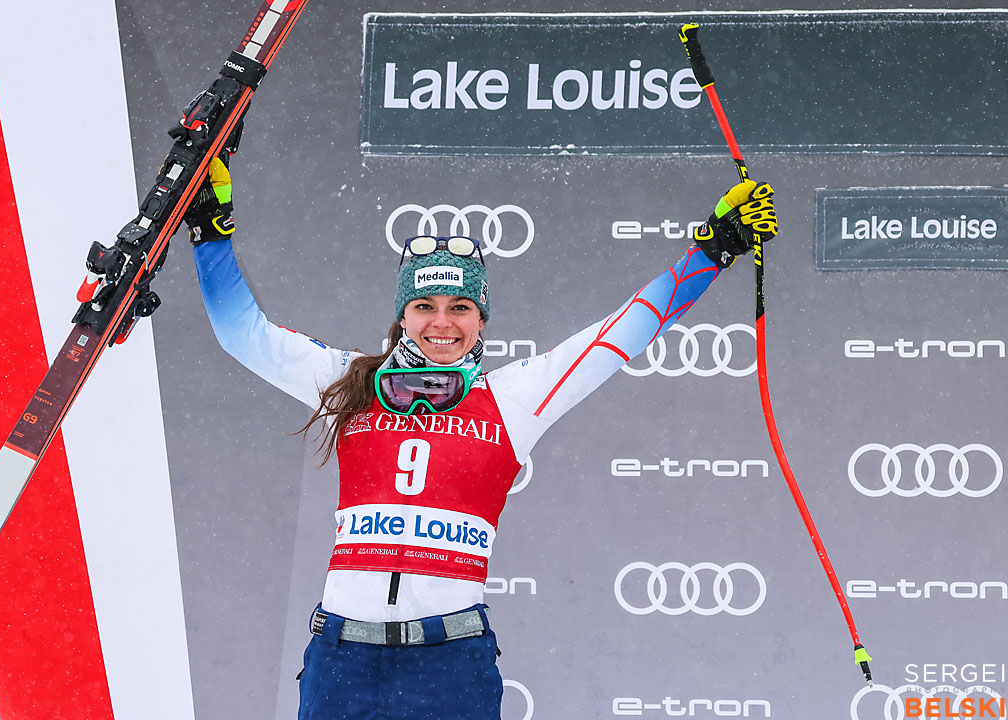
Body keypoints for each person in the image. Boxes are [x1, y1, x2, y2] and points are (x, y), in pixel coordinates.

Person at [184, 156, 777, 720]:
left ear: (481, 318)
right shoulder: (351, 384)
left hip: (448, 664)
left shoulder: (513, 398)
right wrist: (211, 235)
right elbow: (242, 334)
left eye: (460, 306)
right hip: (342, 659)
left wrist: (711, 251)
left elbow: (617, 336)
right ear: (403, 315)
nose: (442, 322)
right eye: (424, 305)